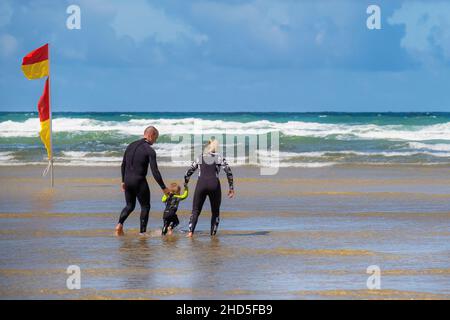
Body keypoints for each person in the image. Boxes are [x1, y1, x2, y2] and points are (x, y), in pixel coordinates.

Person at [115, 126, 169, 236]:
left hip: (127, 181)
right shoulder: (149, 150)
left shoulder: (130, 145)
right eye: (155, 138)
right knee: (145, 207)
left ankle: (119, 225)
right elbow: (155, 171)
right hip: (139, 181)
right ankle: (142, 234)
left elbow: (123, 164)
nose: (155, 141)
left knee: (129, 206)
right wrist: (163, 187)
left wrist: (122, 181)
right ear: (151, 135)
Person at [184, 139, 235, 237]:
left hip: (201, 184)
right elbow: (229, 172)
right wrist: (231, 188)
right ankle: (213, 234)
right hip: (214, 185)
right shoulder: (219, 157)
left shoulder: (199, 157)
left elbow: (188, 172)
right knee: (215, 212)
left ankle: (190, 232)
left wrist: (186, 183)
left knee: (195, 210)